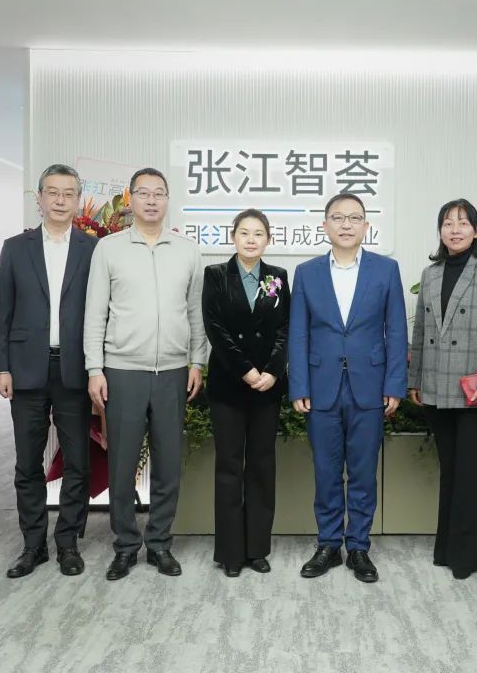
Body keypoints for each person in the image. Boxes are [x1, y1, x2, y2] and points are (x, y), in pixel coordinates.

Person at [84, 167, 206, 580]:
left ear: (167, 200)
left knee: (169, 464)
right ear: (131, 199)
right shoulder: (109, 249)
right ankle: (124, 545)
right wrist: (95, 368)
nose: (152, 200)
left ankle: (159, 543)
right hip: (122, 371)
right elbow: (95, 313)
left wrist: (196, 361)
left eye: (159, 193)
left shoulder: (187, 250)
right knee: (121, 465)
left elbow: (195, 312)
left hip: (172, 370)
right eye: (144, 193)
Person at [288, 192, 407, 584]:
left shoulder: (385, 270)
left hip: (368, 387)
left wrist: (394, 384)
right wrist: (299, 384)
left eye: (354, 218)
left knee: (362, 472)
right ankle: (328, 544)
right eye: (338, 217)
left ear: (366, 226)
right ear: (325, 225)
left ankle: (358, 546)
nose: (346, 224)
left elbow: (396, 330)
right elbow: (299, 333)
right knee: (325, 471)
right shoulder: (307, 273)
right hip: (321, 386)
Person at [0, 164, 98, 579]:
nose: (60, 200)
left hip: (75, 368)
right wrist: (1, 366)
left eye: (68, 193)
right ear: (39, 198)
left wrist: (99, 367)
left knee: (78, 462)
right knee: (27, 463)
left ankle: (68, 542)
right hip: (25, 368)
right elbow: (3, 313)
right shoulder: (15, 248)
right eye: (52, 192)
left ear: (77, 200)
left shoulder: (93, 248)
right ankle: (33, 545)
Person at [408, 199, 477, 579]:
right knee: (450, 469)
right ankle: (445, 548)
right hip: (435, 383)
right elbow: (420, 331)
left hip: (473, 388)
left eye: (463, 223)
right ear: (440, 231)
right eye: (448, 223)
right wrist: (415, 379)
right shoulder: (430, 273)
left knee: (469, 471)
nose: (455, 229)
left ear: (476, 231)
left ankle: (466, 556)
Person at [202, 209, 290, 577]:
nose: (251, 239)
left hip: (267, 388)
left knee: (261, 466)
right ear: (233, 237)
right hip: (228, 385)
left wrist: (272, 371)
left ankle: (257, 549)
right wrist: (247, 370)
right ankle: (230, 552)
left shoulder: (277, 277)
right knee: (228, 468)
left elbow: (285, 328)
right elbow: (215, 329)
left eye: (258, 233)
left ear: (268, 239)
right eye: (244, 232)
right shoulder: (215, 275)